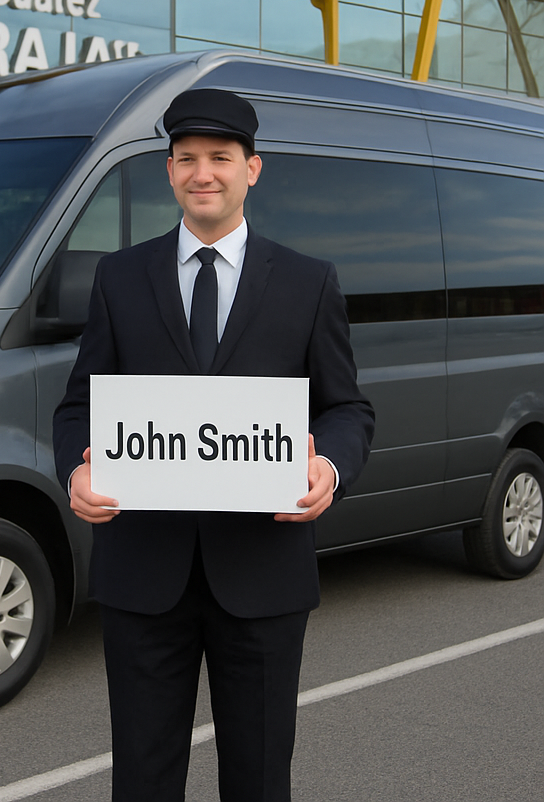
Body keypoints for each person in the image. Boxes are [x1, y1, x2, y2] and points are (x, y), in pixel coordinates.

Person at [53, 88, 374, 802]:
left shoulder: (307, 281)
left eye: (220, 158)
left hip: (262, 574)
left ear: (252, 169)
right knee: (142, 777)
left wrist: (328, 464)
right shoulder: (119, 276)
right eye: (187, 158)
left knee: (259, 780)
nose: (204, 173)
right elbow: (80, 405)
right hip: (144, 572)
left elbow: (347, 407)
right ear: (169, 171)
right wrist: (75, 469)